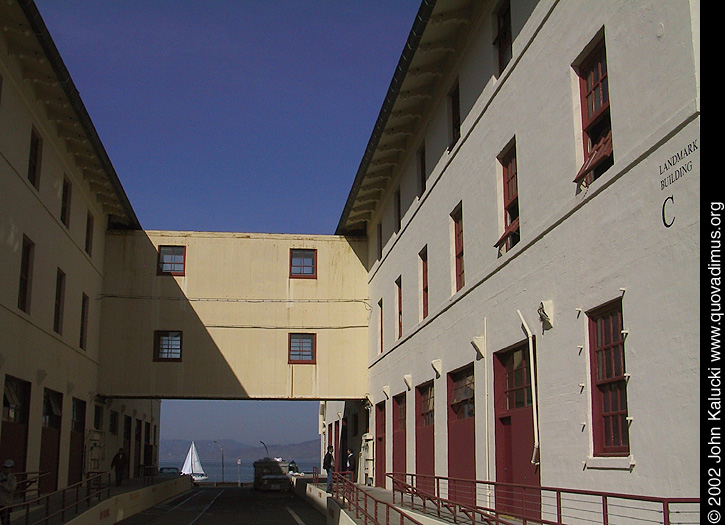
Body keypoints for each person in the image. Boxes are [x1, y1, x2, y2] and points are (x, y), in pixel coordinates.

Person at [0, 459, 17, 525]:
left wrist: (3, 485)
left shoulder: (12, 478)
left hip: (6, 503)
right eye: (5, 467)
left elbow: (12, 488)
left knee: (5, 521)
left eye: (8, 468)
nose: (6, 469)